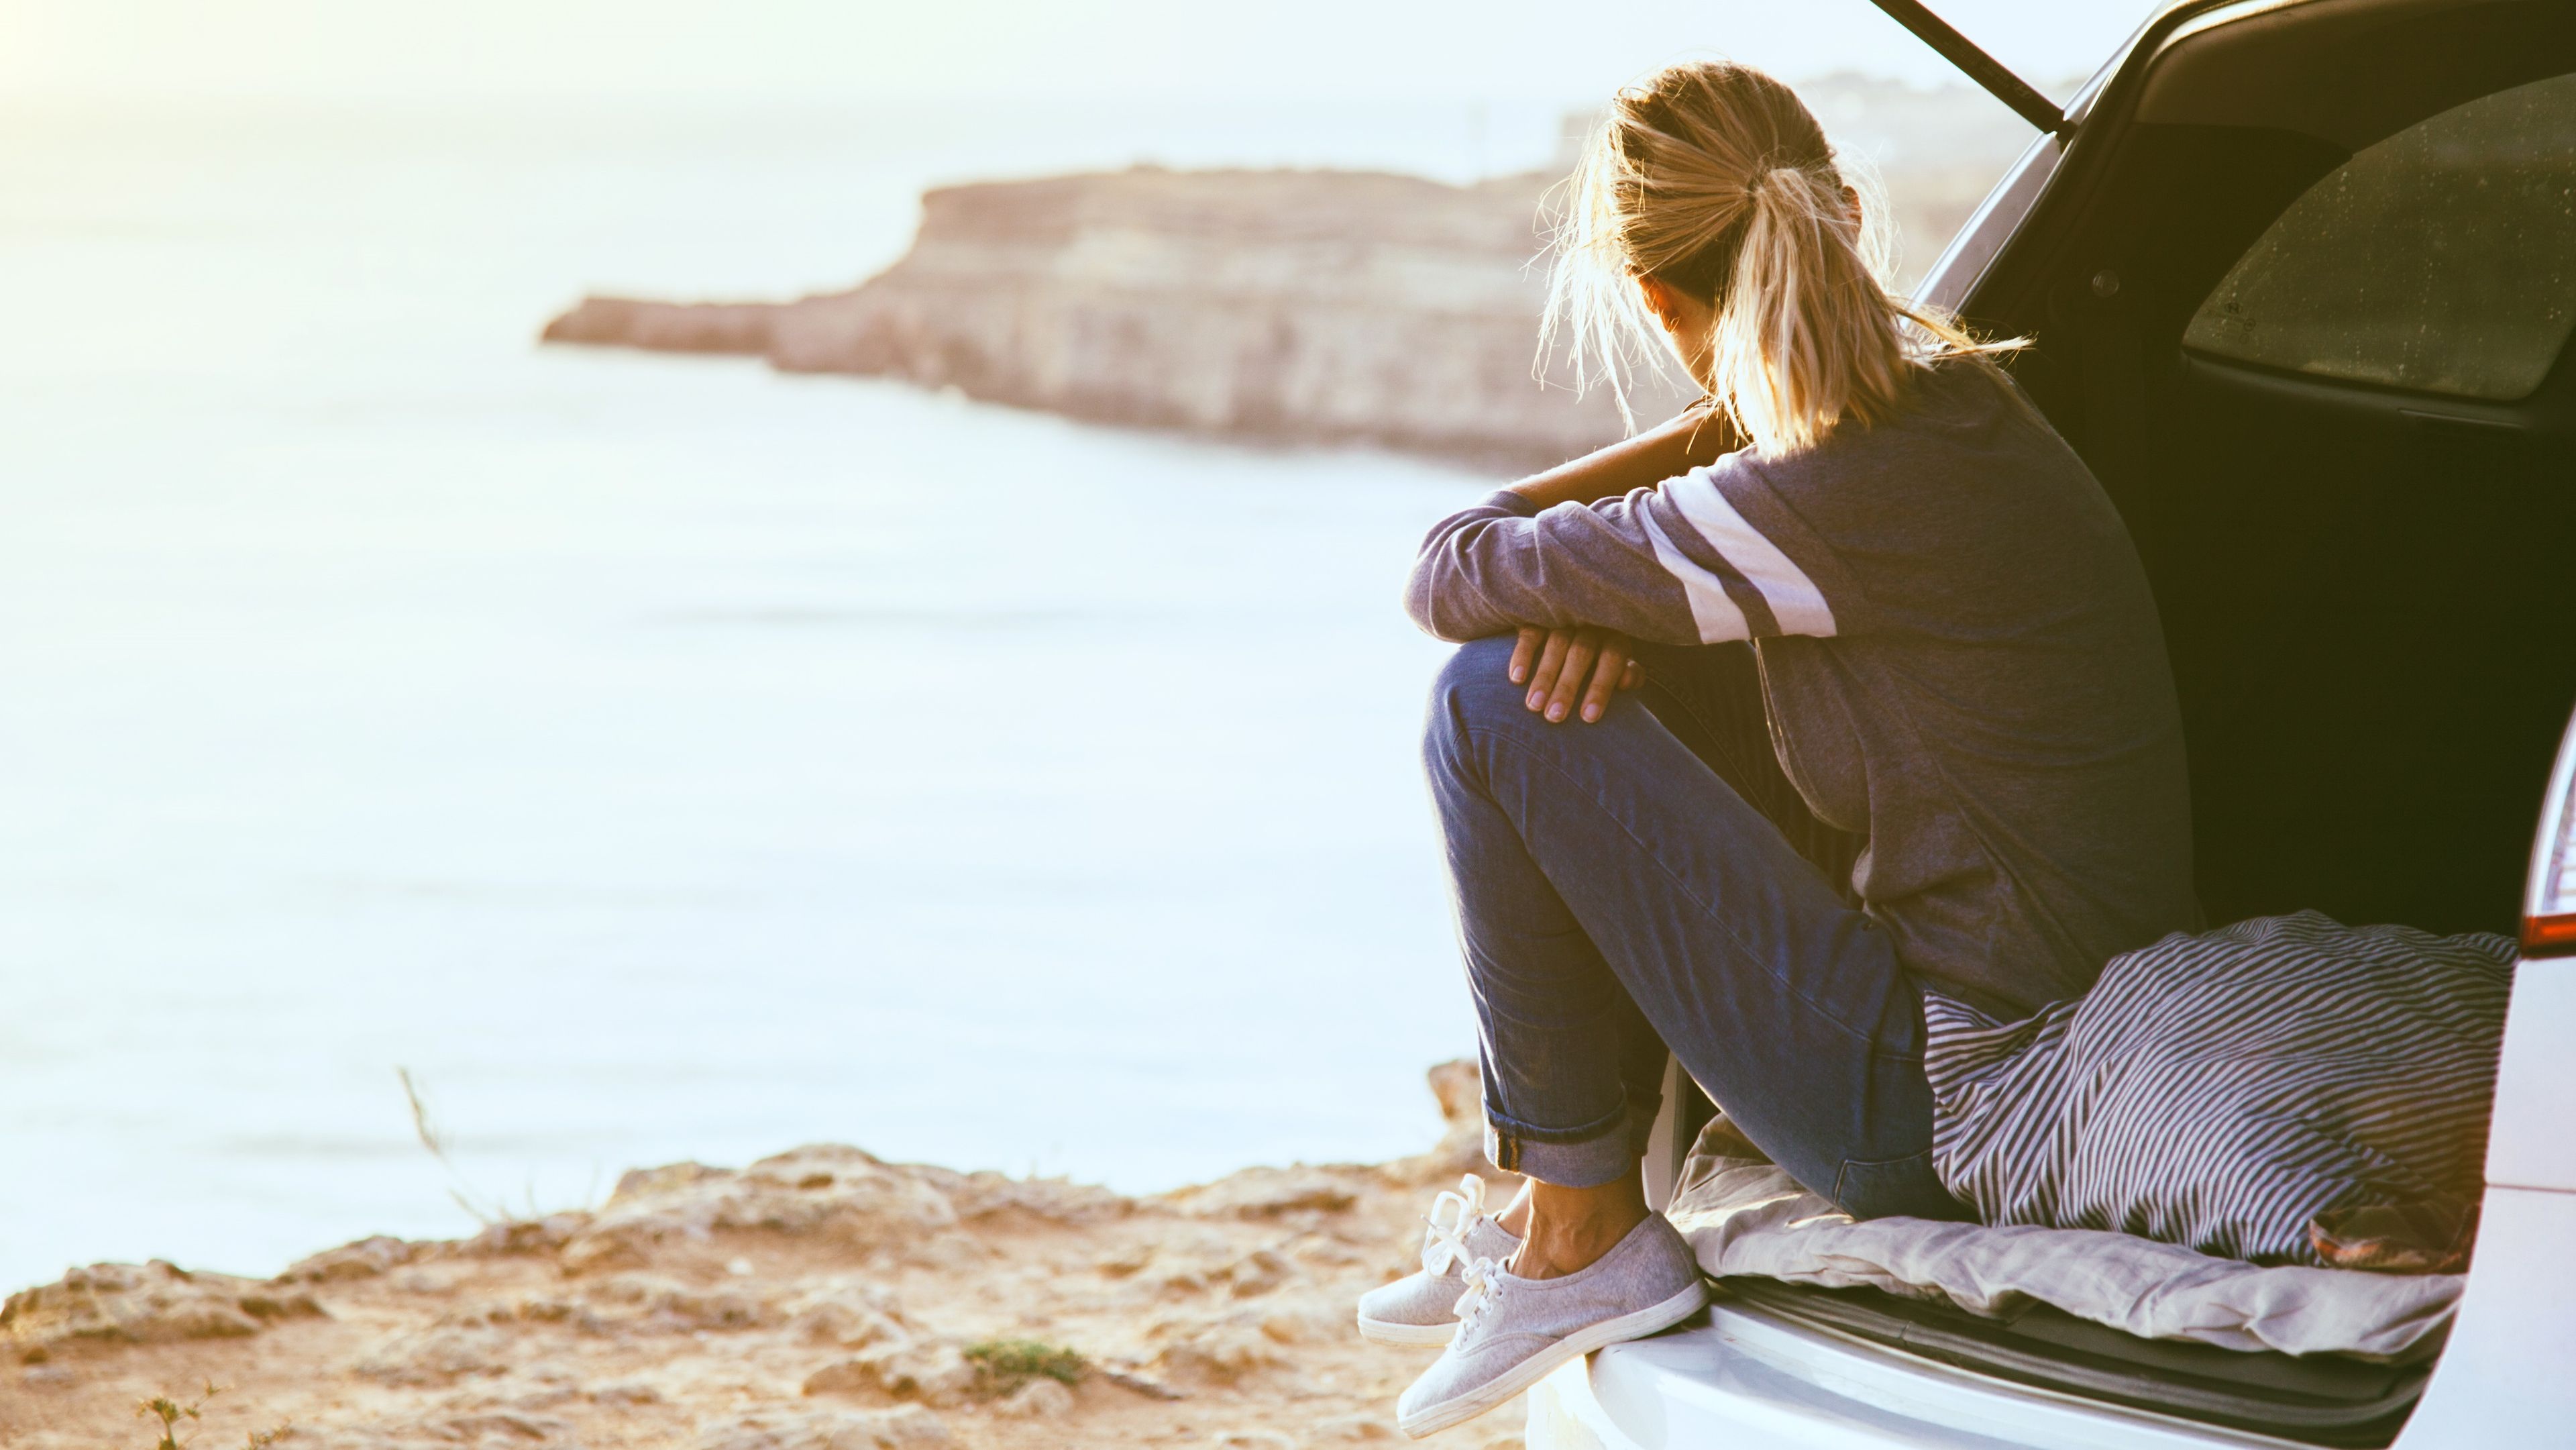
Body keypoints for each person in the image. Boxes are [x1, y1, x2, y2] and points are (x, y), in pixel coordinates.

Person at [1362, 60, 2201, 1438]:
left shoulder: (1823, 488)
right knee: (1568, 668)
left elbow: (1451, 568)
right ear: (1845, 218)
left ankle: (1578, 1232)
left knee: (1489, 699)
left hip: (1965, 1099)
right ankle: (1542, 1194)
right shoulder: (1951, 410)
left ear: (1653, 299)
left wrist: (1691, 461)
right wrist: (1621, 600)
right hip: (2064, 1009)